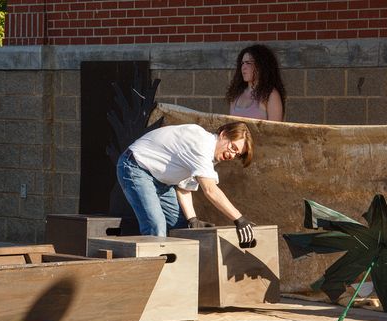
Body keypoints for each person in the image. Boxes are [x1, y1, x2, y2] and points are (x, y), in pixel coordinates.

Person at [117, 122, 256, 247]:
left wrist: (192, 219)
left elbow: (184, 187)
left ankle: (177, 271)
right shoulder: (201, 143)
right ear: (223, 134)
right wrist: (239, 219)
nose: (232, 155)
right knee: (156, 226)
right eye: (233, 147)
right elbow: (210, 190)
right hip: (136, 167)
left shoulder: (209, 156)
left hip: (162, 181)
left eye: (237, 154)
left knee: (180, 227)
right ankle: (154, 274)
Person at [226, 44, 286, 122]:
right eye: (242, 63)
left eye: (248, 63)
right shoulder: (236, 94)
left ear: (260, 66)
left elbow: (275, 131)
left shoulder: (270, 95)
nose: (243, 67)